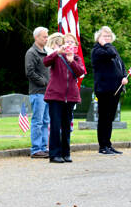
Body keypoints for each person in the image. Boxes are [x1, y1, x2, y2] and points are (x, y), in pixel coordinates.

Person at [43, 33, 85, 163]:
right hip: (55, 96)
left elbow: (80, 72)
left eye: (72, 42)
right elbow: (46, 62)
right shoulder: (57, 56)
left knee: (67, 126)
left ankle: (66, 153)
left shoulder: (77, 59)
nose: (69, 44)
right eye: (67, 42)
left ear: (75, 46)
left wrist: (71, 61)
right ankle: (54, 154)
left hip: (70, 97)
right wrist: (57, 52)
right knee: (55, 125)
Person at [91, 26, 128, 155]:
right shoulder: (98, 50)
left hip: (115, 89)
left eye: (109, 36)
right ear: (98, 38)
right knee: (104, 118)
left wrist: (124, 76)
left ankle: (108, 144)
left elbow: (120, 64)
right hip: (104, 89)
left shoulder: (111, 48)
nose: (107, 39)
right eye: (104, 36)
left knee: (110, 118)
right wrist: (106, 44)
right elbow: (111, 54)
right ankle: (102, 146)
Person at [24, 27, 50, 158]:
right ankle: (35, 149)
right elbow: (30, 72)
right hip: (38, 92)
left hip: (47, 93)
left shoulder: (45, 52)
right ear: (36, 37)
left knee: (46, 121)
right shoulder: (31, 53)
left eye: (47, 37)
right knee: (38, 121)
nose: (46, 39)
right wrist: (44, 82)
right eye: (44, 37)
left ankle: (44, 147)